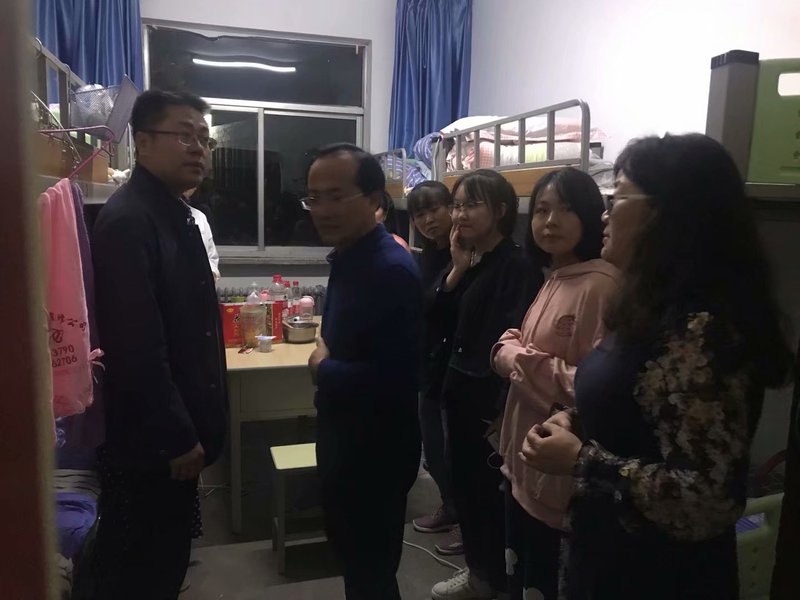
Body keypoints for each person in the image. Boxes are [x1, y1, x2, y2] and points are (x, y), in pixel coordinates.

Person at [522, 134, 794, 599]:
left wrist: (582, 459)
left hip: (658, 576)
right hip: (608, 557)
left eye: (618, 198)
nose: (604, 215)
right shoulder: (647, 307)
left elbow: (706, 500)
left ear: (668, 214)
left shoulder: (702, 331)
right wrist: (578, 419)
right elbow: (641, 406)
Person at [86, 90, 227, 599]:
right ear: (142, 143)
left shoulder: (173, 213)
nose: (199, 150)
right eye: (184, 136)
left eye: (204, 140)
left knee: (164, 560)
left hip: (171, 434)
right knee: (143, 569)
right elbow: (136, 345)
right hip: (153, 444)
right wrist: (176, 435)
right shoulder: (130, 221)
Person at [491, 167, 618, 600]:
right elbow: (530, 345)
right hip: (523, 463)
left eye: (565, 209)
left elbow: (594, 387)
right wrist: (515, 350)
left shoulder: (599, 285)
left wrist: (514, 358)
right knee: (520, 573)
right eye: (542, 210)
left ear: (591, 215)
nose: (550, 221)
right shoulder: (557, 275)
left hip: (556, 473)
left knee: (542, 582)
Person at [306, 143, 423, 600]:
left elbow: (400, 379)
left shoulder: (389, 269)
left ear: (375, 199)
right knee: (356, 563)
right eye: (314, 198)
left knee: (370, 572)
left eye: (336, 196)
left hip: (375, 451)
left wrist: (324, 368)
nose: (322, 209)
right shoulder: (350, 255)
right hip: (345, 437)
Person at [431, 170, 543, 600]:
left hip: (487, 405)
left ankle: (492, 578)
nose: (459, 214)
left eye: (471, 205)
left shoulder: (517, 266)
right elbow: (437, 320)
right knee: (466, 488)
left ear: (500, 211)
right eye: (457, 205)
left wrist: (501, 408)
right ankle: (480, 573)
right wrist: (457, 270)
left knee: (487, 495)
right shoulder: (472, 259)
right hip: (460, 393)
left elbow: (514, 342)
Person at [407, 182, 463, 555]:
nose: (428, 220)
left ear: (452, 207)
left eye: (434, 209)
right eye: (419, 214)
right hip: (428, 363)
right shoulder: (426, 256)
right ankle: (450, 506)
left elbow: (437, 306)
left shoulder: (468, 253)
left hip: (455, 365)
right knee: (433, 443)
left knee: (454, 446)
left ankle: (467, 522)